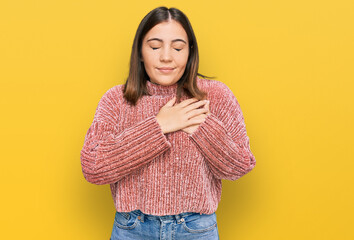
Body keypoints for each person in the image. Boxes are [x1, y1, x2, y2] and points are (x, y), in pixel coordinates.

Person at [80, 6, 256, 240]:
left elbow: (240, 166)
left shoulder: (216, 96)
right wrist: (159, 126)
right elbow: (93, 168)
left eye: (177, 47)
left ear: (190, 52)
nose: (166, 56)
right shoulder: (116, 100)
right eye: (154, 46)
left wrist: (201, 128)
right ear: (140, 52)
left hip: (196, 229)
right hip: (133, 228)